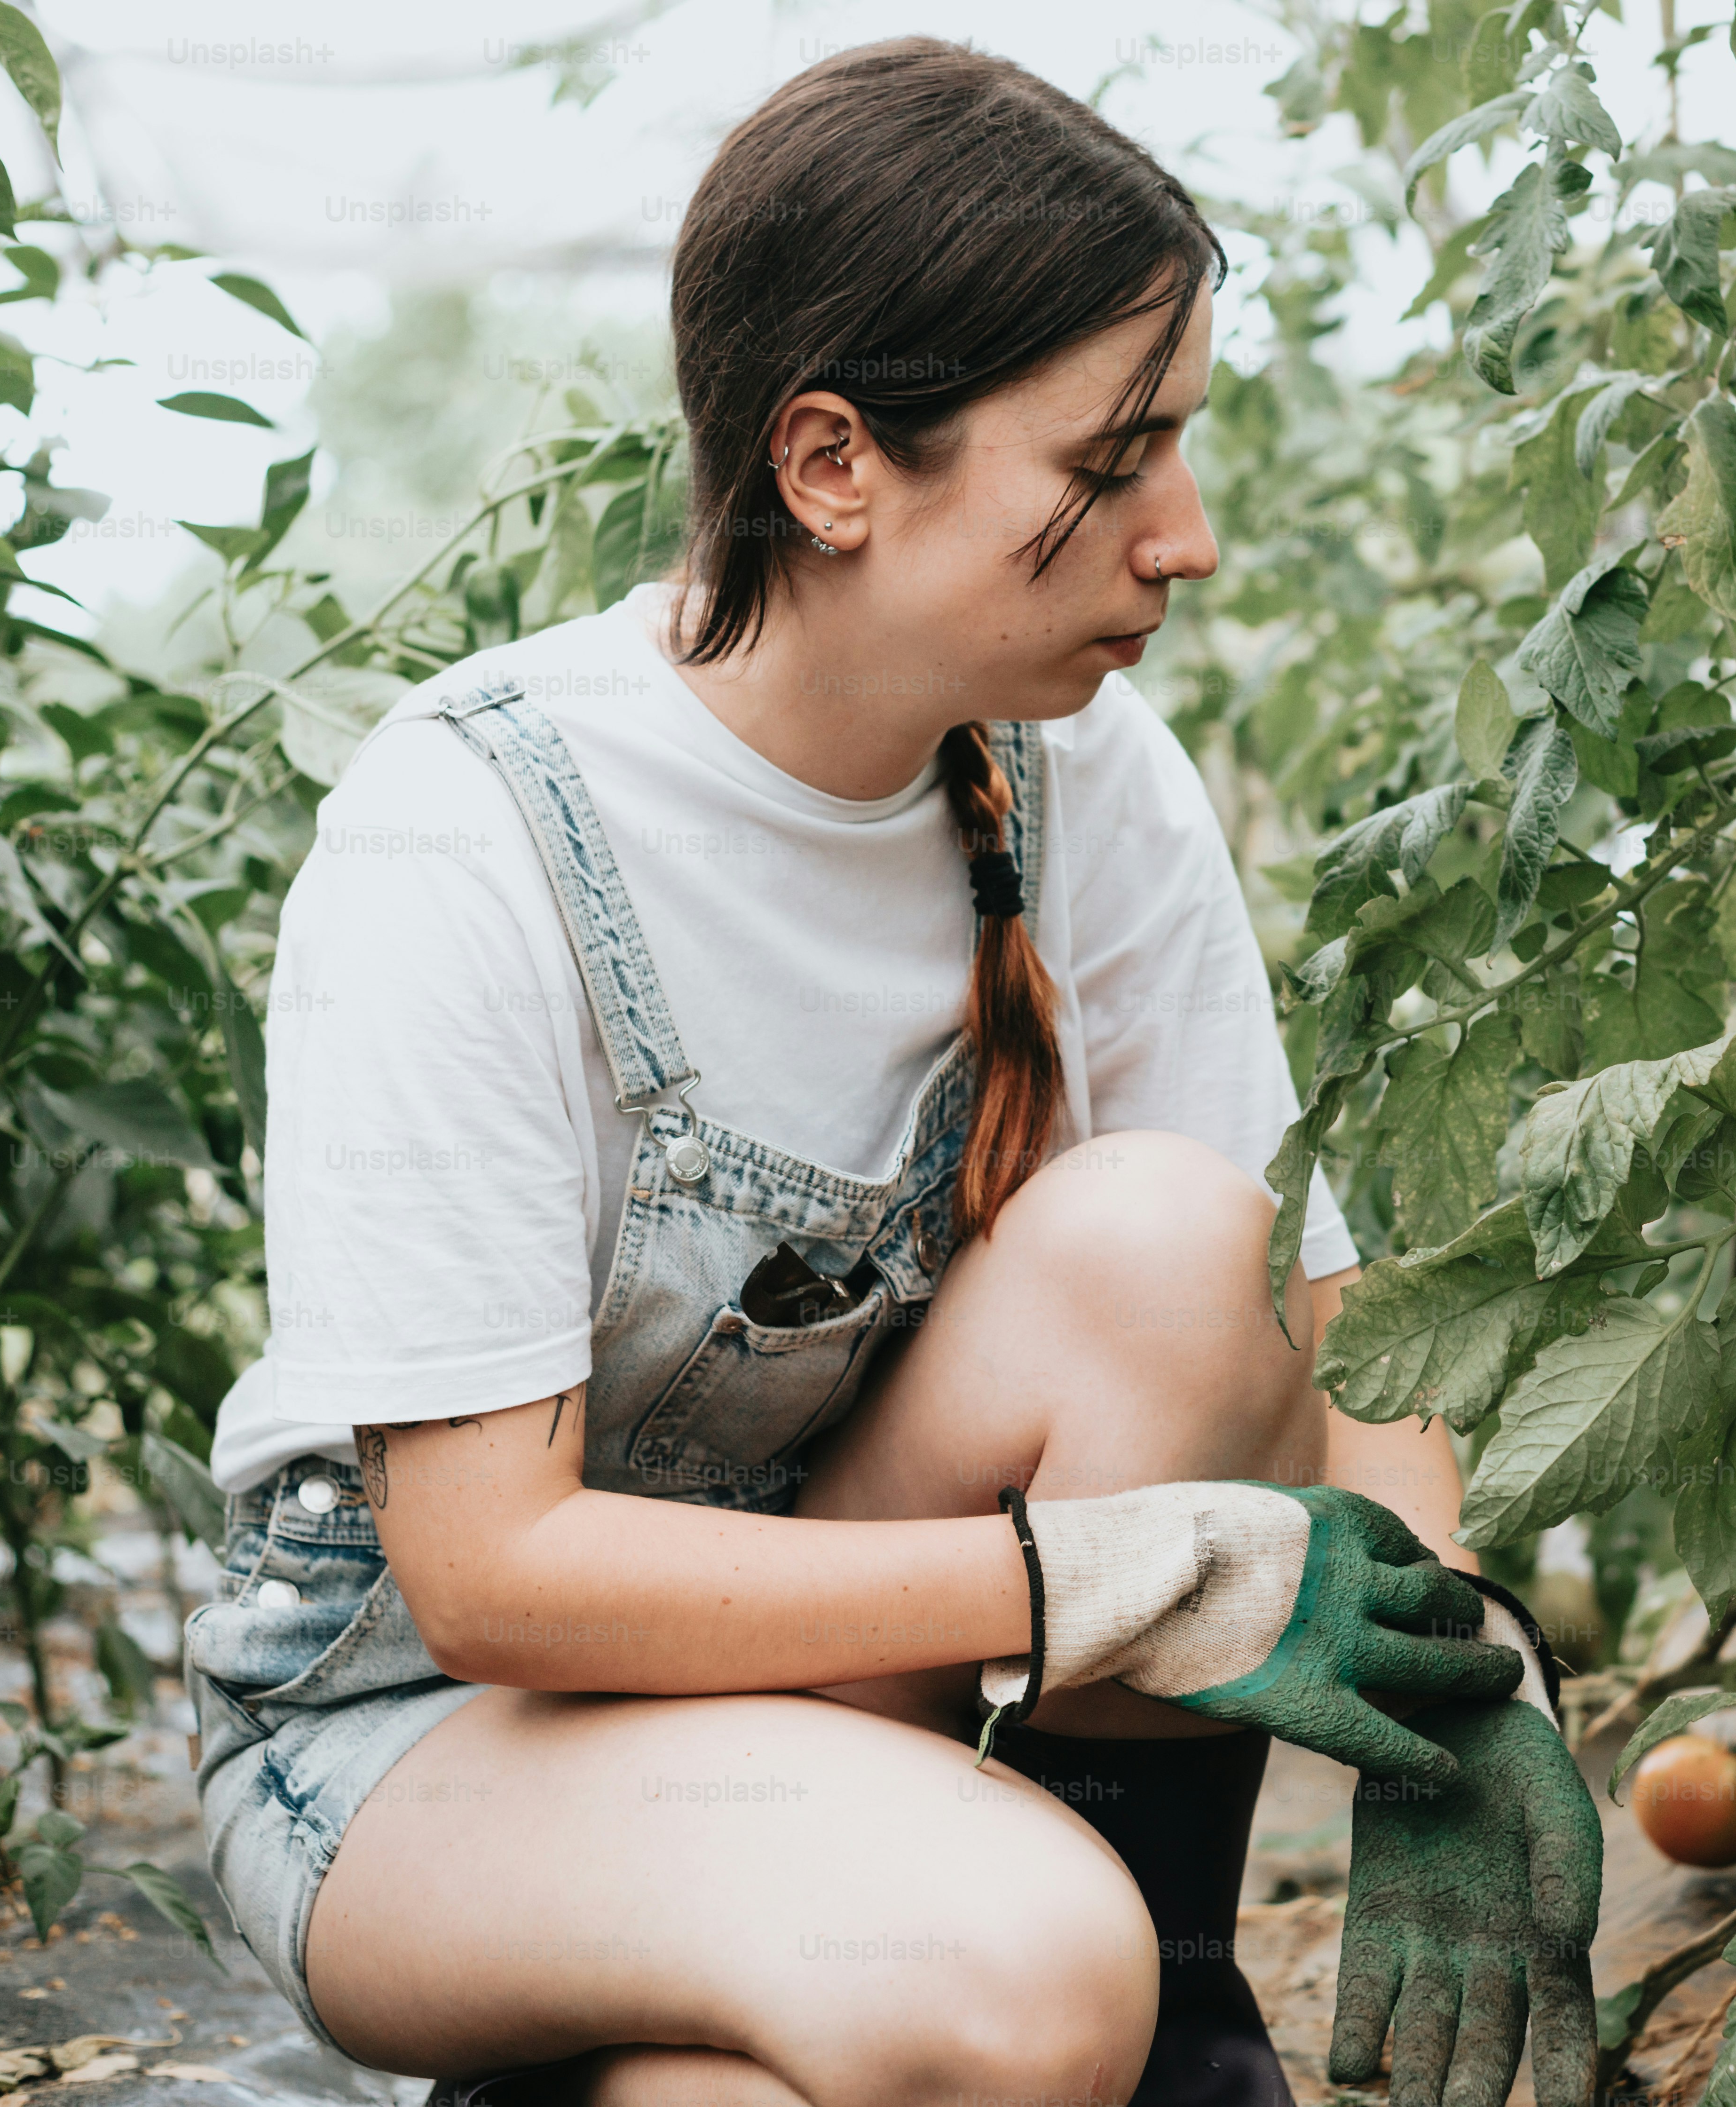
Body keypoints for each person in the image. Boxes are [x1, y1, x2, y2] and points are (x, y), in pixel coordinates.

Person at [179, 34, 1602, 2107]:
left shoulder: (1074, 765)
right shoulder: (474, 832)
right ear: (832, 462)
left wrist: (1474, 1673)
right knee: (1001, 1979)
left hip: (819, 1675)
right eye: (1112, 463)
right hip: (412, 1741)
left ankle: (1156, 2020)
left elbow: (1314, 1303)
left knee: (1172, 1241)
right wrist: (1101, 1582)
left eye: (1180, 446)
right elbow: (492, 1574)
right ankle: (1029, 2004)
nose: (1184, 534)